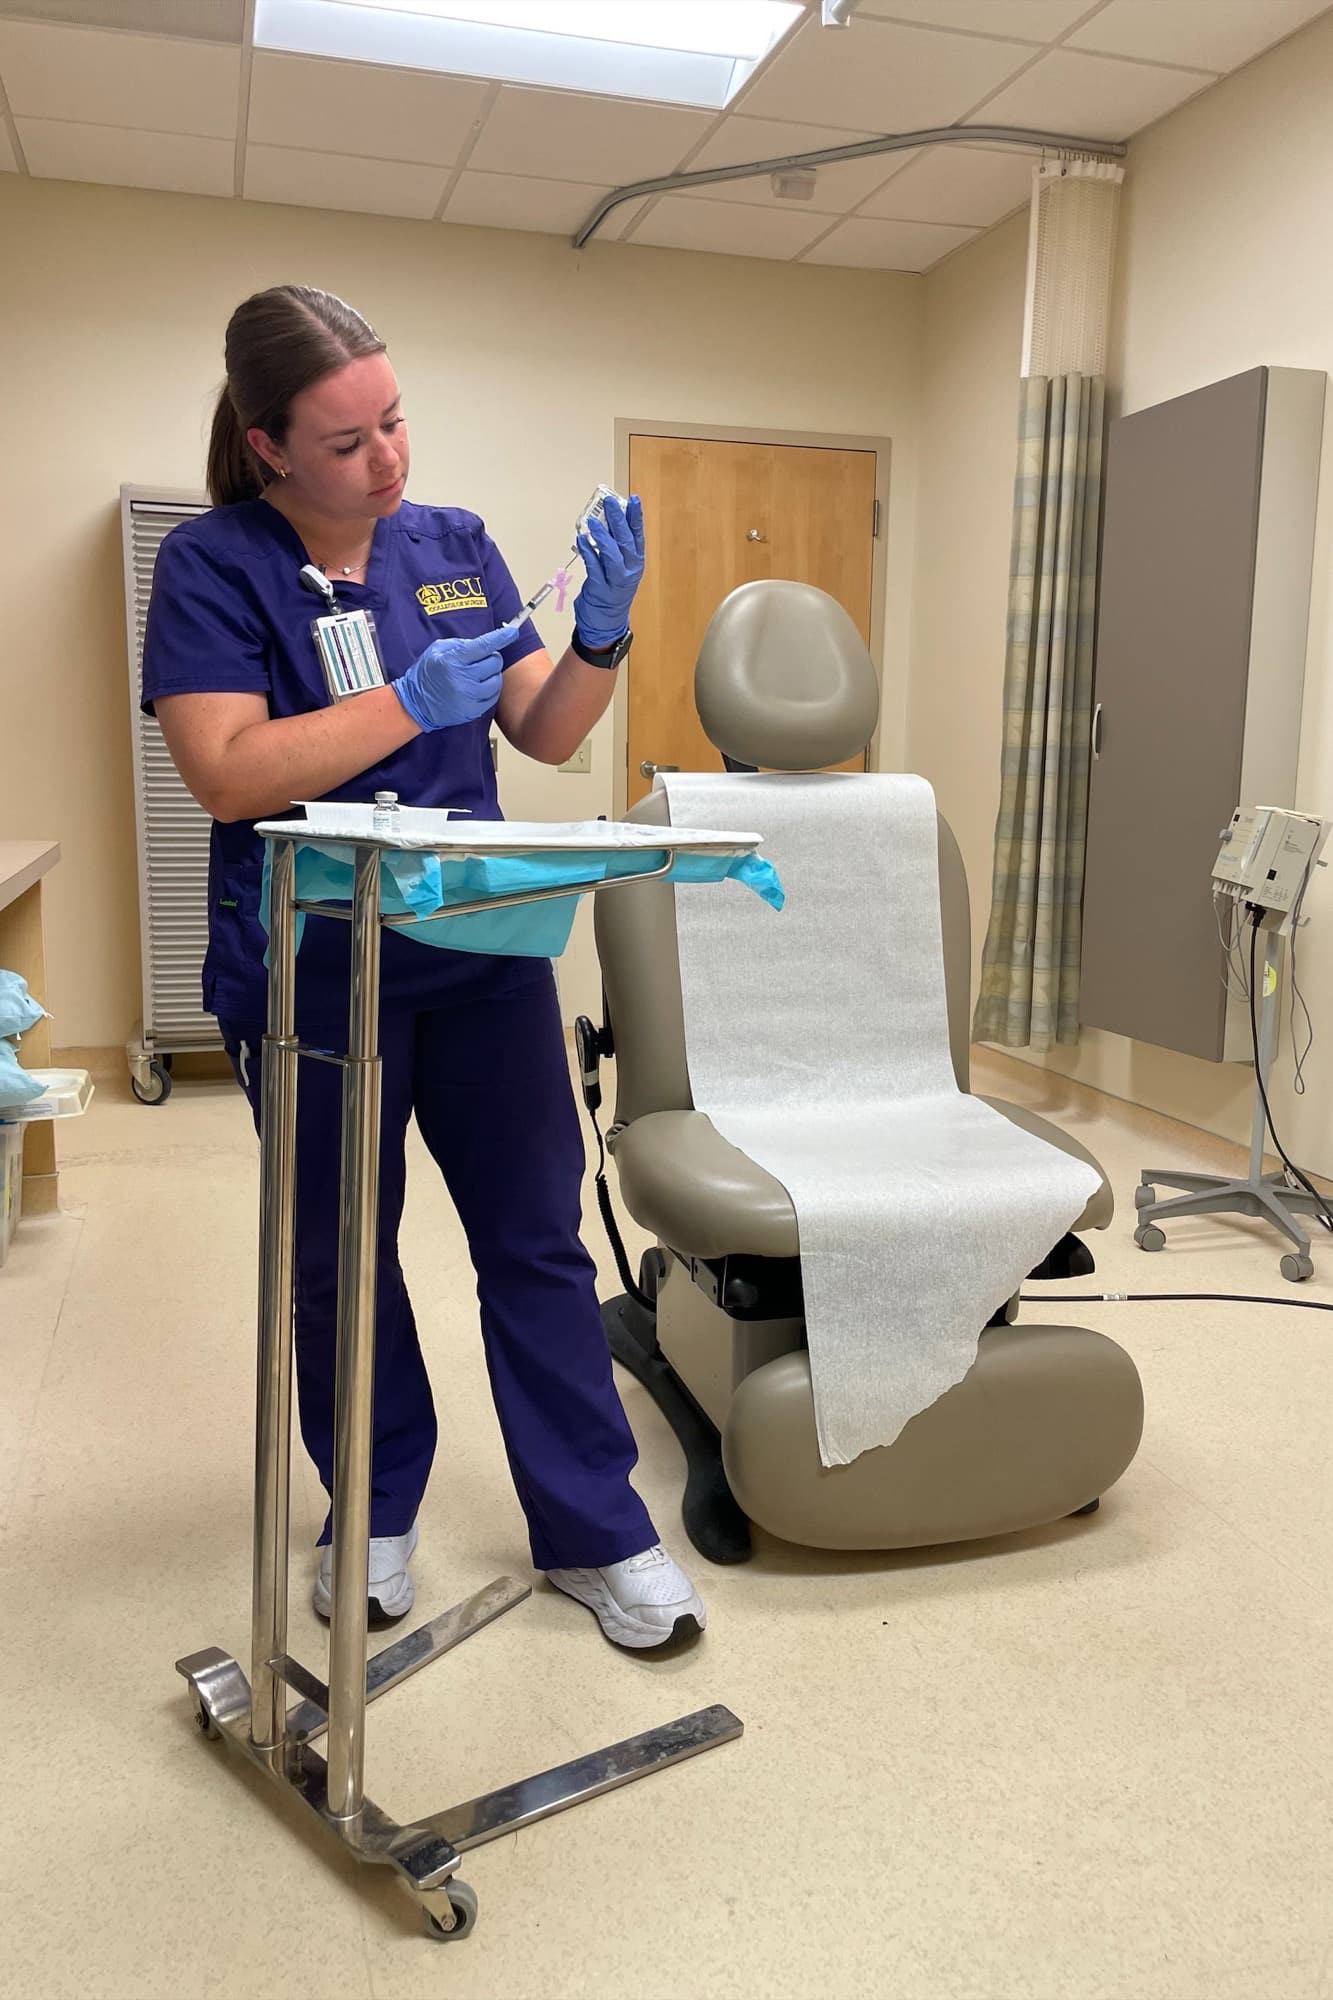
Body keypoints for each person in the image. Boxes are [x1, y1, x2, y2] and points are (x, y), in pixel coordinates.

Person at [142, 284, 704, 1651]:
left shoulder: (451, 544)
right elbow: (224, 774)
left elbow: (548, 731)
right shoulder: (216, 564)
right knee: (342, 1255)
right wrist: (399, 701)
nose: (385, 459)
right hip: (312, 967)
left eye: (394, 421)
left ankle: (595, 1528)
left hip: (478, 954)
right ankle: (374, 1505)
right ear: (269, 445)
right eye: (346, 443)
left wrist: (604, 636)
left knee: (536, 1241)